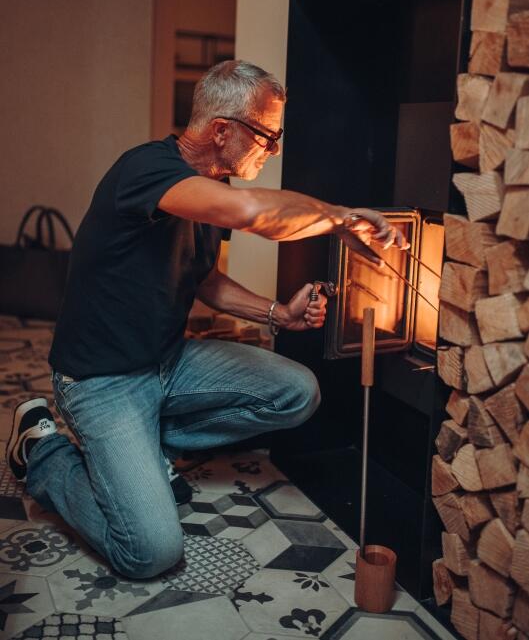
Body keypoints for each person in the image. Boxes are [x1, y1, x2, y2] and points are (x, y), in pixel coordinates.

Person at [7, 60, 407, 580]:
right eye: (268, 136)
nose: (274, 149)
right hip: (100, 381)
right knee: (149, 551)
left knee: (297, 392)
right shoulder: (147, 170)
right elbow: (249, 214)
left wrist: (278, 314)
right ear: (221, 130)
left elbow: (204, 280)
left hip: (168, 362)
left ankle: (146, 446)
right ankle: (42, 450)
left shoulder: (213, 186)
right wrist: (340, 218)